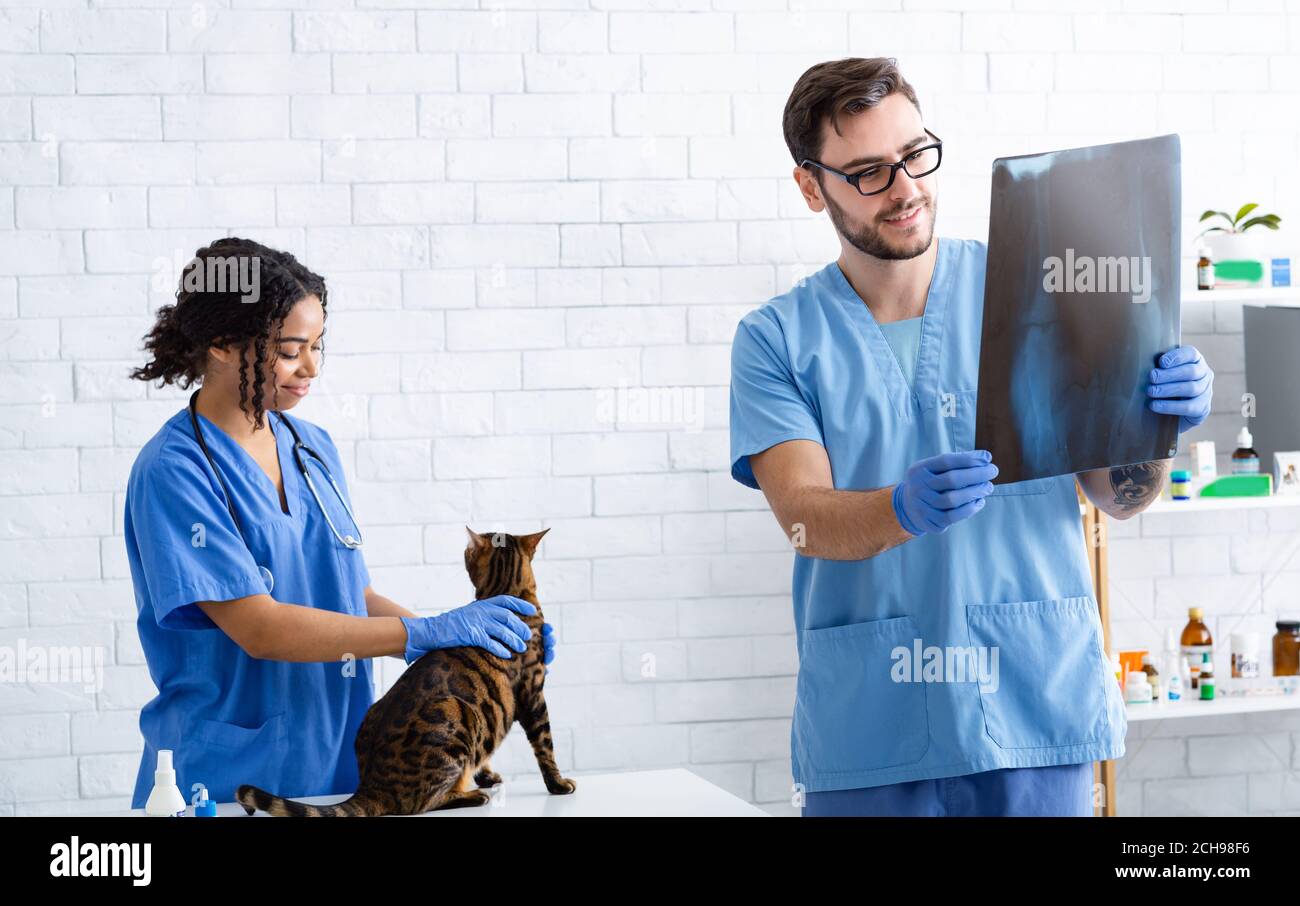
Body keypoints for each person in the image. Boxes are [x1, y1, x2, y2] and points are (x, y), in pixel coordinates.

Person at [728, 59, 1214, 817]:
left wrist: (1154, 428)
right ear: (809, 185)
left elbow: (1119, 498)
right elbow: (803, 518)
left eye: (916, 155)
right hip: (871, 726)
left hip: (1032, 703)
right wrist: (900, 509)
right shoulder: (777, 339)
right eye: (867, 173)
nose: (905, 189)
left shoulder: (1040, 291)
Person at [124, 237, 556, 809]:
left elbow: (351, 594)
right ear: (223, 345)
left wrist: (469, 643)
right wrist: (423, 635)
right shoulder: (174, 472)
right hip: (224, 776)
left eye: (318, 345)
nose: (311, 367)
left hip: (345, 765)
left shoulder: (313, 448)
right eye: (289, 349)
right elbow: (260, 627)